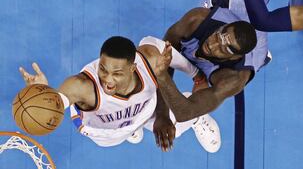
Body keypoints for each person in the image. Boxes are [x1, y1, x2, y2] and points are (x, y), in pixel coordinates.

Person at [157, 0, 303, 122]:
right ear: (221, 27)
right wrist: (161, 110)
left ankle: (259, 58)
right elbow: (168, 44)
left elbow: (185, 112)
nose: (212, 45)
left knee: (205, 94)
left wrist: (162, 79)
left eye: (224, 49)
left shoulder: (234, 77)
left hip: (251, 44)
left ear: (233, 59)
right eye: (218, 36)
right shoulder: (197, 19)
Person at [19, 36, 221, 153]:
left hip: (146, 114)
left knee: (180, 114)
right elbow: (54, 104)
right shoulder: (82, 86)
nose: (107, 79)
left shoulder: (151, 57)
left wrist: (163, 114)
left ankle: (197, 119)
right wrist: (44, 93)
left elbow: (195, 74)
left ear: (133, 68)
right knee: (118, 138)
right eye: (103, 69)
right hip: (105, 132)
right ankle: (130, 131)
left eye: (117, 74)